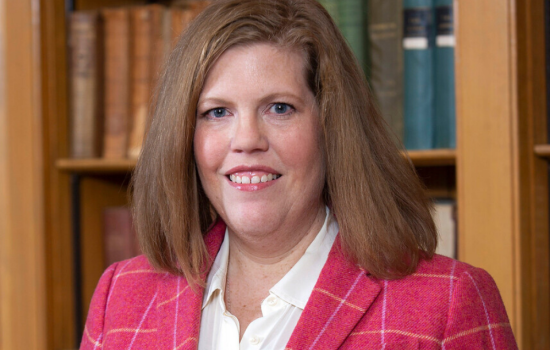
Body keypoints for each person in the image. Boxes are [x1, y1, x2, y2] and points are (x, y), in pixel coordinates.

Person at [81, 0, 517, 349]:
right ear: (185, 137)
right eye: (217, 112)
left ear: (331, 126)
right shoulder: (121, 296)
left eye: (280, 108)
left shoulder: (447, 304)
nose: (246, 139)